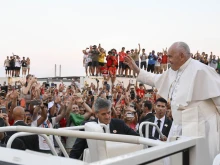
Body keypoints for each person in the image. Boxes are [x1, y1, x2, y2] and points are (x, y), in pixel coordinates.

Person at [124, 41, 220, 164]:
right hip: (178, 125)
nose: (167, 60)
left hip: (200, 126)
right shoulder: (173, 71)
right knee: (173, 160)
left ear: (181, 56)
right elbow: (155, 79)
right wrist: (137, 70)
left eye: (170, 56)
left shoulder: (202, 70)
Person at [69, 98, 139, 159]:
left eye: (109, 113)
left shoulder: (119, 124)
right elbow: (76, 150)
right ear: (96, 114)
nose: (107, 116)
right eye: (103, 114)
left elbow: (137, 138)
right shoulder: (87, 126)